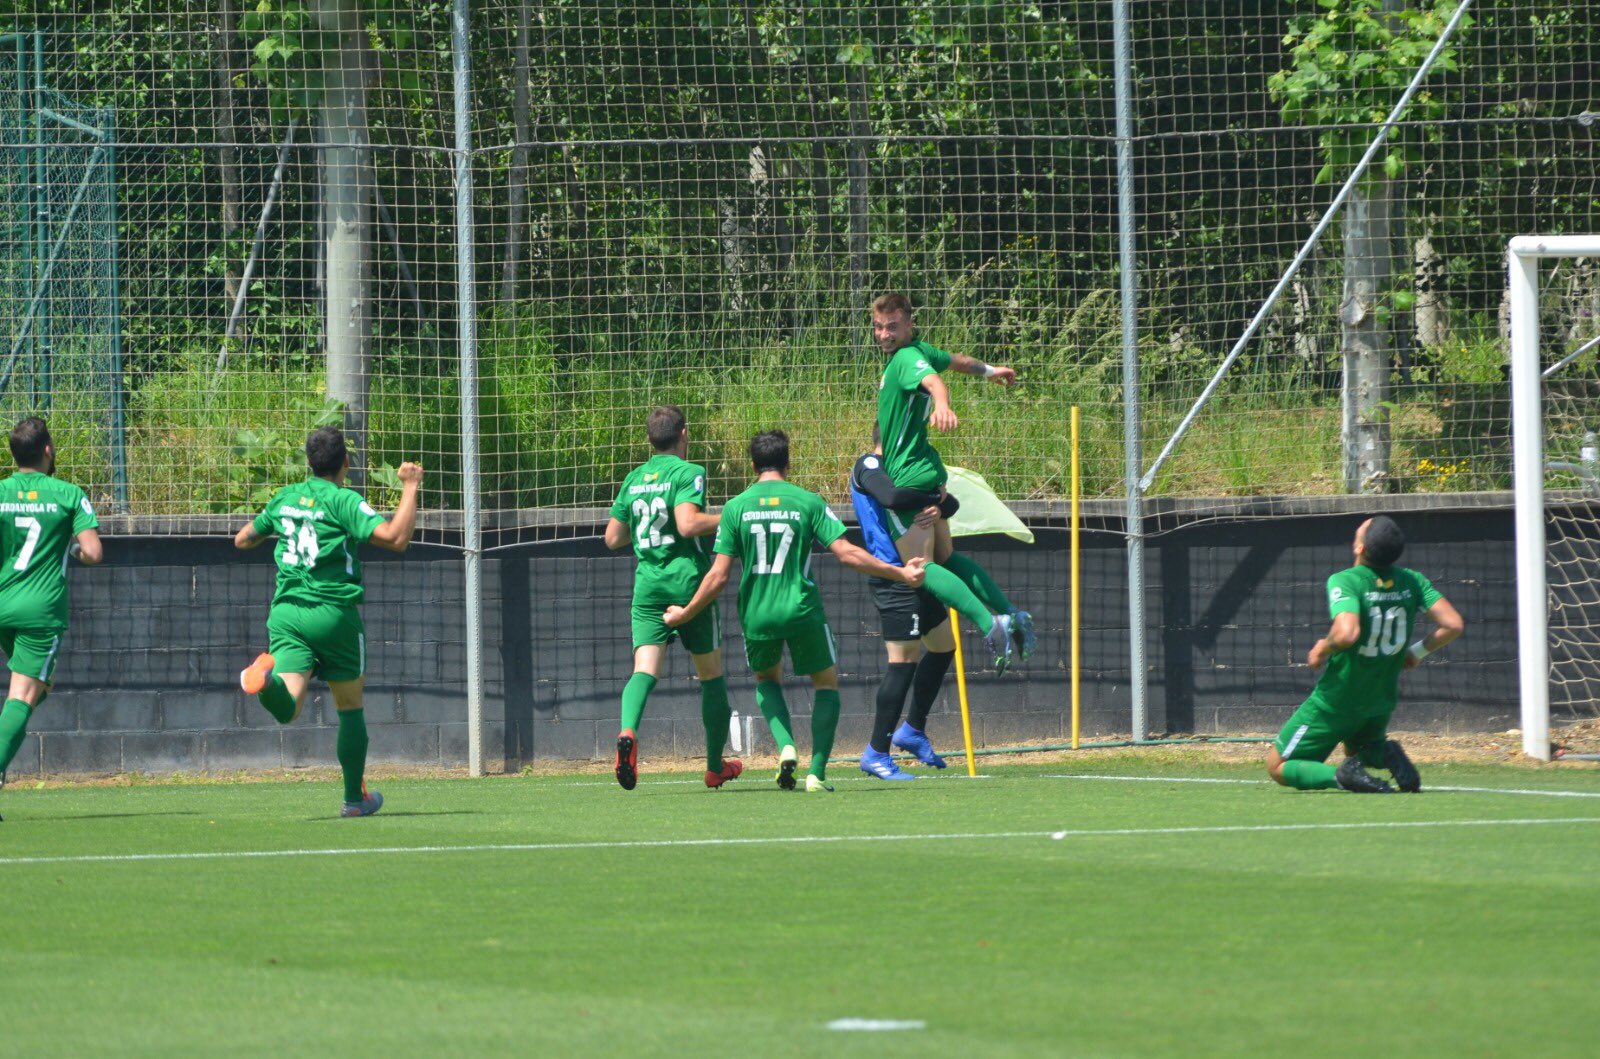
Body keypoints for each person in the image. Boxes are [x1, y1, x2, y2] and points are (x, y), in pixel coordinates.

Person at [666, 430, 926, 793]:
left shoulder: (736, 507)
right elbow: (848, 553)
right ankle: (817, 773)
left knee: (766, 682)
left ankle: (786, 746)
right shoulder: (808, 501)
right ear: (789, 463)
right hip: (802, 610)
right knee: (826, 684)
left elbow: (718, 575)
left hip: (757, 613)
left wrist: (686, 612)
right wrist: (900, 573)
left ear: (753, 465)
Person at [234, 427, 422, 818]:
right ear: (345, 464)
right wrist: (409, 486)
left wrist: (275, 530)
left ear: (308, 462)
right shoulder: (343, 500)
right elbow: (396, 538)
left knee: (288, 709)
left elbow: (243, 539)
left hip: (286, 615)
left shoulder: (284, 498)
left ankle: (265, 681)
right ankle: (354, 800)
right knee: (350, 706)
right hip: (333, 615)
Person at [871, 292, 1035, 672]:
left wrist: (943, 405)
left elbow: (934, 383)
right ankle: (1009, 612)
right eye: (878, 327)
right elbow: (957, 362)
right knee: (945, 557)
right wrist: (992, 372)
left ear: (909, 323)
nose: (884, 335)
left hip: (907, 475)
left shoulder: (907, 359)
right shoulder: (923, 350)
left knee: (920, 565)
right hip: (930, 473)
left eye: (892, 326)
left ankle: (989, 624)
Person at [1268, 516, 1464, 793]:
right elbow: (1453, 624)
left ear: (1359, 548)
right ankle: (1384, 754)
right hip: (1380, 699)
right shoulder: (1412, 581)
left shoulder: (1346, 580)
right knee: (1360, 746)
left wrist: (1322, 648)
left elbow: (1347, 633)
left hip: (1337, 699)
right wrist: (1417, 652)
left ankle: (1340, 776)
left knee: (1277, 765)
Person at [603, 405, 740, 791]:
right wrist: (731, 516)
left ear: (650, 439)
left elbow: (613, 537)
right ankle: (715, 766)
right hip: (688, 584)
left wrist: (647, 528)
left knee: (644, 670)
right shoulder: (689, 471)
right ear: (684, 433)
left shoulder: (633, 478)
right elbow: (688, 524)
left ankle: (628, 732)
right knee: (711, 675)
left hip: (648, 585)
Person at [0, 418, 103, 818]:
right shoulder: (69, 495)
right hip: (40, 611)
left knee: (39, 687)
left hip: (4, 604)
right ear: (47, 450)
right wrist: (72, 552)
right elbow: (93, 553)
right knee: (23, 695)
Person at [848, 433, 961, 780]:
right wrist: (932, 496)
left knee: (944, 647)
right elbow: (891, 497)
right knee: (902, 664)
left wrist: (937, 505)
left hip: (921, 575)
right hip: (895, 577)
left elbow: (952, 504)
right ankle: (876, 752)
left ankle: (912, 730)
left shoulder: (904, 468)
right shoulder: (870, 465)